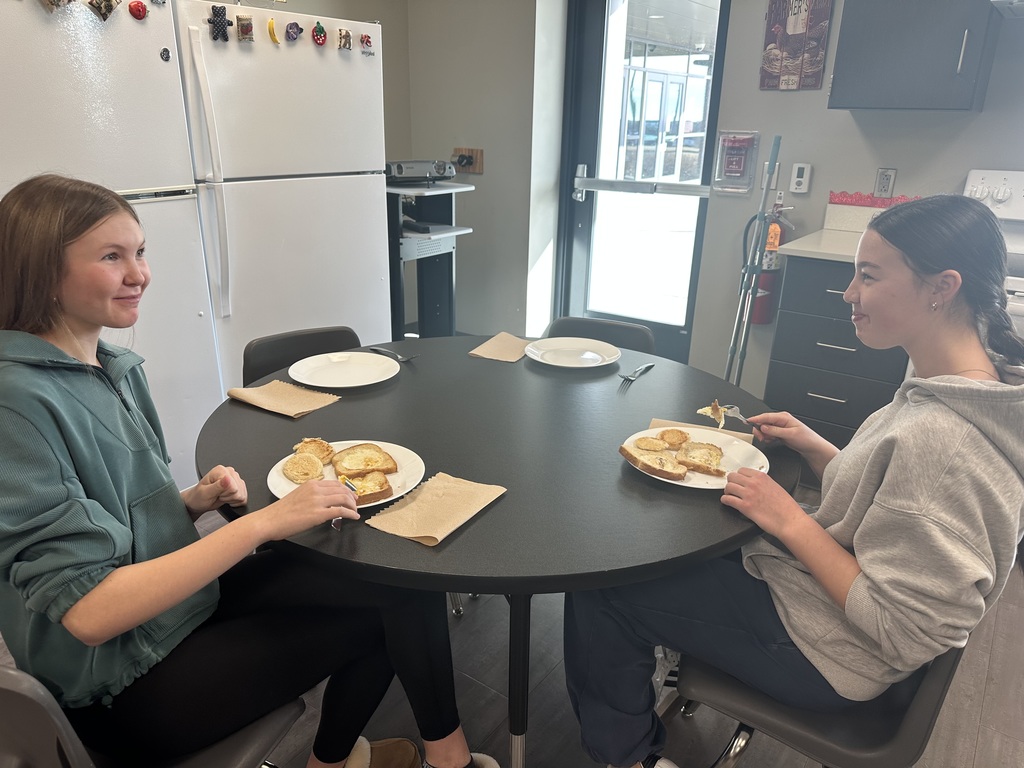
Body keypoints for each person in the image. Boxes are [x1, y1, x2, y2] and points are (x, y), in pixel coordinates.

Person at [0, 174, 498, 768]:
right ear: (39, 270)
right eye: (112, 257)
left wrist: (188, 503)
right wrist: (261, 525)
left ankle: (432, 758)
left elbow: (103, 518)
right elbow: (88, 613)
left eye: (139, 252)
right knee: (378, 622)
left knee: (397, 580)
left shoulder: (111, 365)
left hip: (176, 611)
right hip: (119, 686)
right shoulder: (16, 404)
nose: (139, 274)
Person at [563, 194, 1024, 768]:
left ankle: (628, 756)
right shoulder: (956, 389)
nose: (850, 293)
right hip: (815, 603)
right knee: (660, 546)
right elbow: (896, 508)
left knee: (604, 586)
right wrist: (821, 451)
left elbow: (903, 629)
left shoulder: (947, 441)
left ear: (941, 287)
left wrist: (785, 517)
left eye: (868, 276)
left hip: (830, 654)